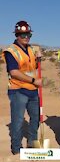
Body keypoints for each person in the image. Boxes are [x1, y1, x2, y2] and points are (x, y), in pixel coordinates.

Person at [2, 21, 42, 155]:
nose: (26, 37)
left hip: (33, 90)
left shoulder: (31, 49)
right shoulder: (11, 51)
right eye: (22, 34)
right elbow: (14, 72)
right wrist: (33, 80)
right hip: (18, 90)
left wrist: (38, 60)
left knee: (35, 118)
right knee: (18, 121)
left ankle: (32, 143)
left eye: (28, 34)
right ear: (17, 35)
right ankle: (16, 148)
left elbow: (32, 67)